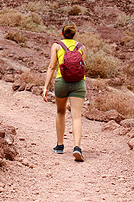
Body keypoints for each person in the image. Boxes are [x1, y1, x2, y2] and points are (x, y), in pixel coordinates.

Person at [43, 21, 87, 162]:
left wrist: (45, 87)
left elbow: (51, 67)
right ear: (74, 34)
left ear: (62, 33)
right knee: (76, 116)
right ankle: (77, 147)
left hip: (61, 82)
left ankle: (60, 146)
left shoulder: (56, 46)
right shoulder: (81, 47)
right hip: (78, 84)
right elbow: (82, 67)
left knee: (60, 112)